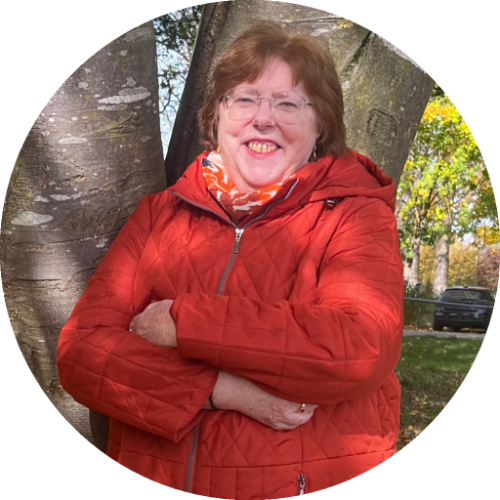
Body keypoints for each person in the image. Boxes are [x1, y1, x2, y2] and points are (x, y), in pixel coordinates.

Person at [57, 21, 404, 499]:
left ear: (320, 124)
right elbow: (81, 354)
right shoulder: (160, 215)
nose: (263, 118)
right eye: (244, 99)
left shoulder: (354, 214)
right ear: (217, 115)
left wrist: (182, 323)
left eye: (287, 103)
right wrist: (220, 389)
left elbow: (358, 348)